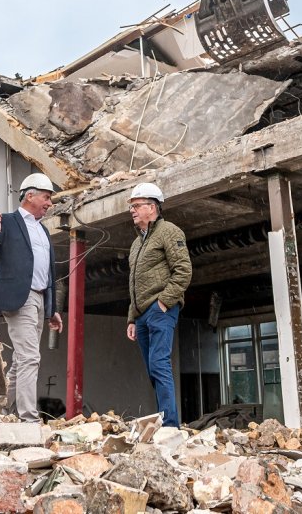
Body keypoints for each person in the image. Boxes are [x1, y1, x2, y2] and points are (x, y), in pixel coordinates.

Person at [0, 172, 63, 422]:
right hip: (19, 298)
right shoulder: (6, 222)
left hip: (39, 299)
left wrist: (52, 308)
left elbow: (49, 272)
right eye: (47, 198)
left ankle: (2, 411)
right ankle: (28, 417)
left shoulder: (43, 231)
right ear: (30, 196)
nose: (50, 204)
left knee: (20, 360)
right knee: (30, 357)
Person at [125, 182, 192, 427]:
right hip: (142, 314)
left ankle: (170, 424)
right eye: (131, 206)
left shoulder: (169, 232)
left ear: (152, 207)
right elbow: (134, 282)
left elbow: (183, 271)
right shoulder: (136, 244)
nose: (132, 210)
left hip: (160, 309)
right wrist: (132, 317)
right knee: (152, 369)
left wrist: (163, 302)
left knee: (159, 363)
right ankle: (163, 418)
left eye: (136, 205)